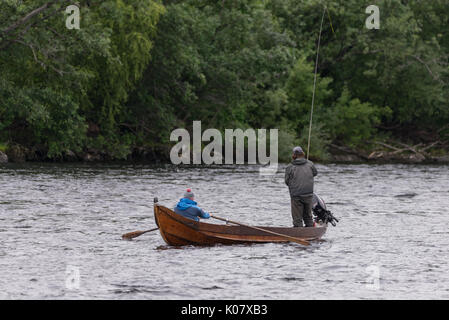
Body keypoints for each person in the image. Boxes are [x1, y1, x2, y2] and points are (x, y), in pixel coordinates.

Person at [285, 146, 318, 227]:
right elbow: (315, 173)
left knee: (297, 219)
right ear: (302, 154)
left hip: (296, 195)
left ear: (294, 155)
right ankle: (310, 234)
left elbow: (286, 181)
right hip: (308, 194)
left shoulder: (290, 167)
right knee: (308, 217)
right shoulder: (310, 164)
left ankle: (298, 234)